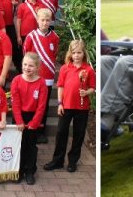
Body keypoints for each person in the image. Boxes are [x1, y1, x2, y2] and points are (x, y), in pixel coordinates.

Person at [43, 40, 93, 173]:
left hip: (82, 108)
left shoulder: (88, 69)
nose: (76, 55)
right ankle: (57, 160)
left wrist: (86, 92)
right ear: (70, 54)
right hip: (66, 106)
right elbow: (60, 87)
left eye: (79, 53)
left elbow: (93, 88)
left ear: (84, 53)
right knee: (61, 133)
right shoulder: (65, 68)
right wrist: (60, 103)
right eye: (74, 53)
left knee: (79, 134)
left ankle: (72, 161)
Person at [11, 52, 49, 185]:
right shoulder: (16, 80)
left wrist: (35, 122)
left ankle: (29, 171)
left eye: (31, 66)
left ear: (37, 67)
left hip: (34, 118)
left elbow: (42, 106)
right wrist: (19, 121)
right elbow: (15, 103)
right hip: (19, 116)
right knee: (19, 145)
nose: (27, 68)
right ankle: (18, 170)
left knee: (31, 146)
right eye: (25, 65)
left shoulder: (42, 83)